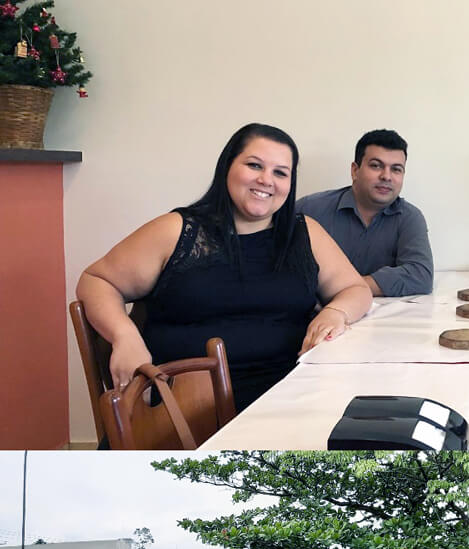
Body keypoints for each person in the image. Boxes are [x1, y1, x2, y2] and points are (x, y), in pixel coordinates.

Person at [77, 123, 372, 413]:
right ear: (227, 167)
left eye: (280, 172)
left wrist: (336, 311)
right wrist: (123, 335)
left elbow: (355, 289)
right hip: (185, 409)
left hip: (289, 398)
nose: (267, 180)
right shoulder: (176, 231)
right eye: (255, 165)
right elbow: (96, 280)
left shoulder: (305, 232)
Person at [296, 129, 433, 297]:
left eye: (396, 169)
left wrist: (348, 290)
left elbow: (420, 275)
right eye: (376, 166)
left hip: (381, 318)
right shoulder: (309, 209)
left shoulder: (410, 218)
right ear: (355, 170)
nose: (386, 176)